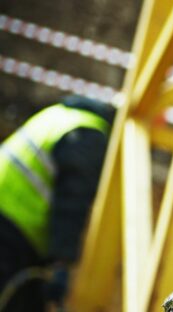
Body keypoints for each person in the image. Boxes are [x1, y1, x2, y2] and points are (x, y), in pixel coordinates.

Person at [0, 96, 114, 311]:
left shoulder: (59, 114)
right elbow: (71, 204)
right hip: (13, 228)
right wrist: (61, 262)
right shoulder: (90, 134)